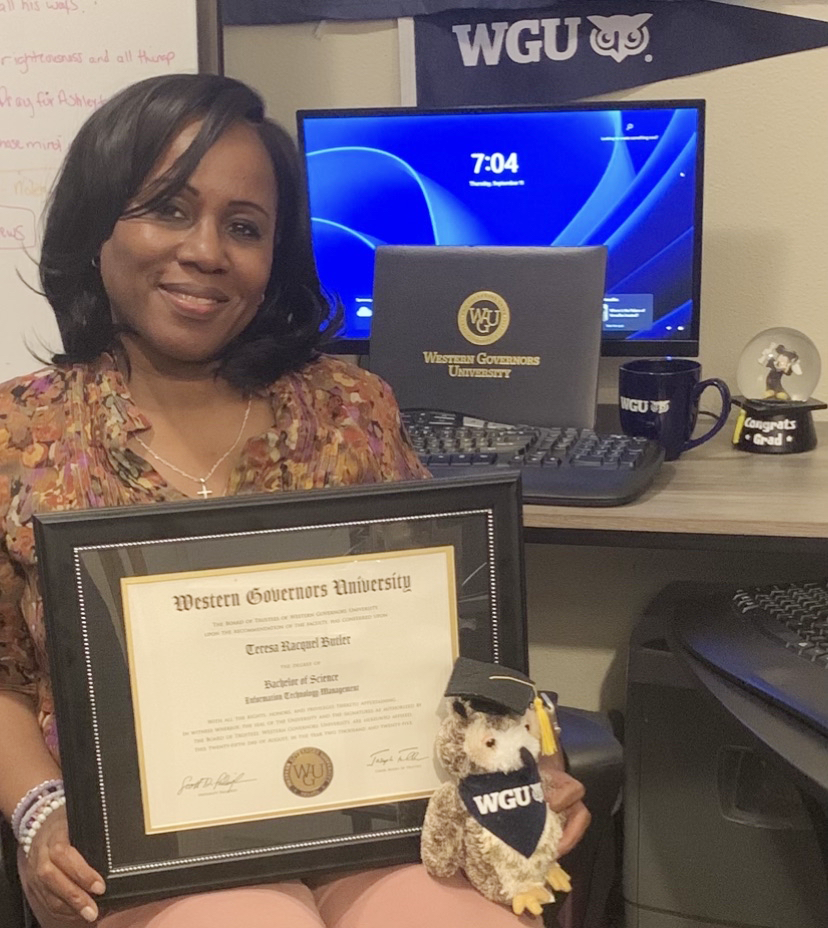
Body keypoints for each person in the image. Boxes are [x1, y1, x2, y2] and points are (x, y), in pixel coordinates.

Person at [0, 73, 590, 927]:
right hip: (138, 835)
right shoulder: (20, 433)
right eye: (168, 208)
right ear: (97, 224)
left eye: (244, 227)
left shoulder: (351, 407)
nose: (207, 251)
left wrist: (527, 758)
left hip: (380, 813)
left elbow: (459, 625)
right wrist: (37, 812)